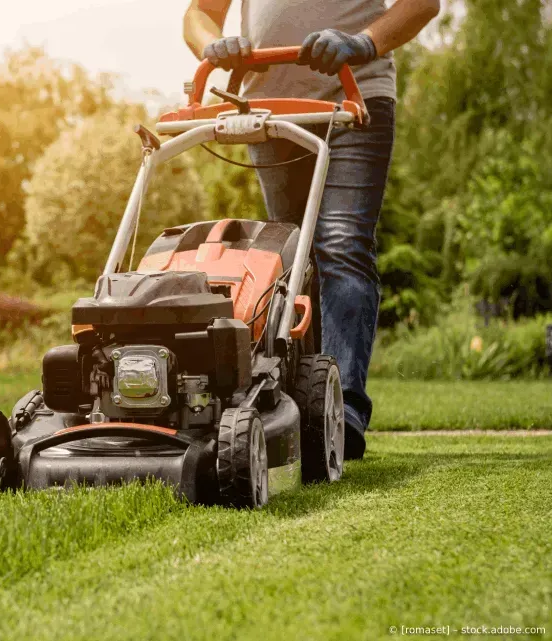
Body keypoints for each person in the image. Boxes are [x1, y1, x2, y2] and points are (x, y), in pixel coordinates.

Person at [184, 0, 439, 459]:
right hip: (270, 110)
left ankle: (344, 412)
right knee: (291, 263)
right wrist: (212, 45)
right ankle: (300, 406)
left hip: (353, 96)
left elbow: (423, 4)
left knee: (340, 244)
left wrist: (365, 43)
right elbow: (198, 13)